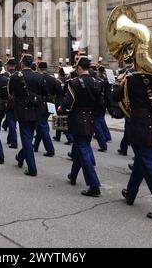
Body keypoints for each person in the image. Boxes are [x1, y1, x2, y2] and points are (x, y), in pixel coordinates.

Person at [112, 59, 152, 221]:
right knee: (144, 157)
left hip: (139, 124)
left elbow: (115, 96)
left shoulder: (132, 78)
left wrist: (122, 81)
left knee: (147, 161)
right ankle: (131, 193)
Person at [59, 56, 103, 197]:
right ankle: (73, 175)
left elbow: (68, 102)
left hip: (78, 118)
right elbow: (101, 104)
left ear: (79, 68)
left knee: (83, 148)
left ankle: (94, 185)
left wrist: (61, 107)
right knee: (81, 146)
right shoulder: (97, 82)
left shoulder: (74, 82)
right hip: (91, 118)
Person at [8, 54, 45, 177]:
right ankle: (20, 156)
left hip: (22, 110)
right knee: (29, 137)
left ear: (22, 64)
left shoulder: (15, 76)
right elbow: (43, 93)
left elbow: (10, 92)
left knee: (26, 138)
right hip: (36, 110)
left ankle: (32, 168)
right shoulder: (39, 77)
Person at [33, 61, 62, 157]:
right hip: (50, 103)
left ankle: (50, 149)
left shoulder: (37, 77)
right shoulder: (53, 79)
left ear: (39, 68)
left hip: (40, 103)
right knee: (40, 124)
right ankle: (35, 146)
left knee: (42, 125)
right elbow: (58, 92)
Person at [4, 58, 18, 149]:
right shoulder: (19, 74)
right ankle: (10, 139)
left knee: (11, 122)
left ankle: (14, 142)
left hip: (9, 101)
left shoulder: (6, 75)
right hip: (18, 101)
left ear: (8, 66)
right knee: (13, 121)